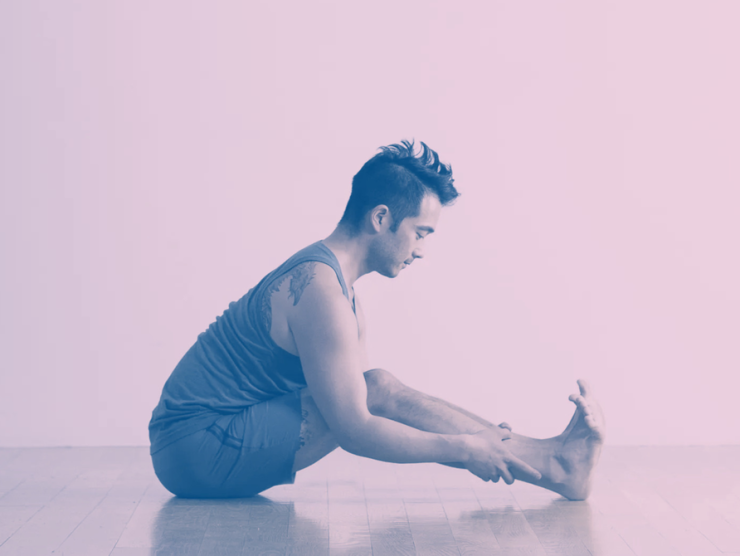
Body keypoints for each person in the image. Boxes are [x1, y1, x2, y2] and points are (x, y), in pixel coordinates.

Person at [148, 140, 605, 501]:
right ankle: (554, 464)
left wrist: (485, 442)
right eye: (420, 233)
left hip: (207, 440)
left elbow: (369, 407)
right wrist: (467, 447)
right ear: (381, 218)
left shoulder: (338, 287)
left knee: (376, 386)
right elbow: (356, 429)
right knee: (378, 389)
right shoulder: (320, 290)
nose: (421, 251)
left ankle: (550, 458)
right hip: (193, 447)